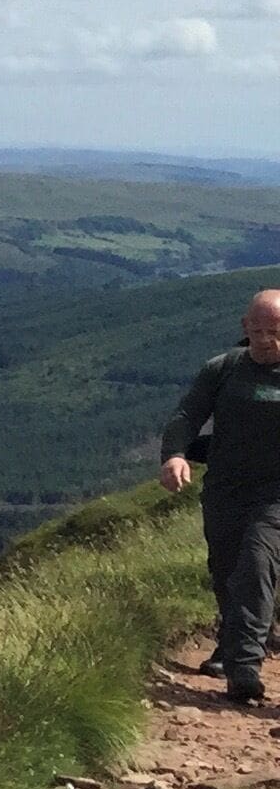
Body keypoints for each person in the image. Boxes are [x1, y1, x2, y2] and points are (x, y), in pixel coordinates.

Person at [160, 288, 280, 703]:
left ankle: (243, 666)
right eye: (258, 331)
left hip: (275, 494)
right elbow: (188, 414)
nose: (265, 340)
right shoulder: (224, 368)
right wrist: (175, 455)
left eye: (275, 332)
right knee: (226, 569)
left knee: (256, 562)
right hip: (226, 489)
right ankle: (234, 642)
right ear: (245, 327)